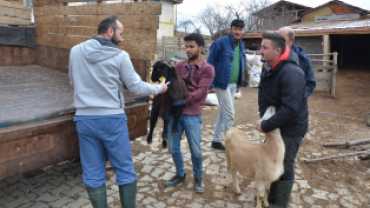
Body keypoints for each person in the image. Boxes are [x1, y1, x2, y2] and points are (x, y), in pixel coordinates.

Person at [68, 14, 167, 208]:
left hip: (84, 120)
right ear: (110, 31)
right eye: (121, 34)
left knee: (92, 172)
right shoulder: (120, 56)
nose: (122, 39)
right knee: (124, 169)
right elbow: (136, 87)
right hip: (112, 119)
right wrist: (159, 89)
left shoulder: (75, 51)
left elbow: (73, 81)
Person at [256, 32, 308, 208]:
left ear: (277, 51)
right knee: (272, 159)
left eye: (264, 47)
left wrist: (266, 124)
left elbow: (290, 109)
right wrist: (264, 116)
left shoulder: (292, 72)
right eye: (260, 46)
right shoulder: (267, 67)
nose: (260, 51)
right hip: (275, 123)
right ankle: (273, 197)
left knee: (285, 163)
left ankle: (281, 203)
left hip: (292, 127)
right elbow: (262, 93)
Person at [164, 33, 215, 193]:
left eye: (191, 46)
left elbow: (201, 92)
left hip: (192, 112)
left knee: (195, 149)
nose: (188, 49)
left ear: (201, 48)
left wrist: (182, 100)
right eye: (186, 46)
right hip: (175, 113)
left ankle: (198, 176)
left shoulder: (208, 69)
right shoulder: (179, 66)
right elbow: (170, 83)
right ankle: (180, 174)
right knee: (173, 147)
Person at [207, 19, 246, 150]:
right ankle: (230, 145)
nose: (238, 31)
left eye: (240, 29)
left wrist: (239, 84)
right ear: (230, 29)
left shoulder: (241, 45)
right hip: (221, 84)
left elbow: (241, 64)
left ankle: (216, 140)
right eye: (235, 29)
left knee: (223, 113)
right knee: (230, 114)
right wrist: (211, 84)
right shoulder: (220, 43)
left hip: (234, 84)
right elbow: (210, 63)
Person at [278, 27, 316, 97]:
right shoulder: (273, 57)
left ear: (291, 40)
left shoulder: (303, 59)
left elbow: (310, 83)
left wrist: (299, 97)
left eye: (282, 39)